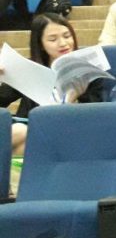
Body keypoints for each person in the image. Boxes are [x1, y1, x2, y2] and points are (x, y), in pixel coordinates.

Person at [0, 14, 105, 156]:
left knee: (19, 133)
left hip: (71, 134)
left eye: (67, 36)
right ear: (40, 44)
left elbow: (96, 119)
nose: (63, 43)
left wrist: (72, 98)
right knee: (20, 133)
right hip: (31, 132)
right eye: (53, 39)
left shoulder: (88, 71)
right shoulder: (30, 70)